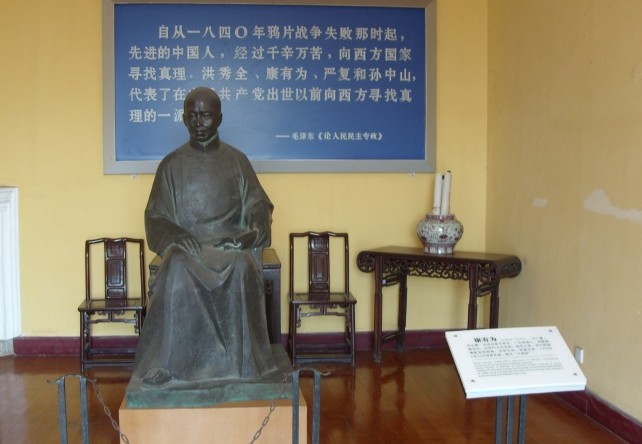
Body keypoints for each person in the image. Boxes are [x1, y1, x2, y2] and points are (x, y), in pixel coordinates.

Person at [132, 87, 277, 388]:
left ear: (219, 118)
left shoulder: (237, 161)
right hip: (189, 248)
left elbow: (258, 203)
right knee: (174, 269)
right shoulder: (171, 165)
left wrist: (252, 228)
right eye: (193, 115)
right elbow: (155, 216)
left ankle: (243, 366)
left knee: (242, 267)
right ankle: (166, 364)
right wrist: (174, 233)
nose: (199, 122)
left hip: (230, 245)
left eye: (206, 115)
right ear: (184, 118)